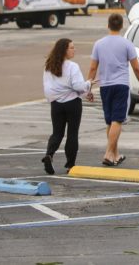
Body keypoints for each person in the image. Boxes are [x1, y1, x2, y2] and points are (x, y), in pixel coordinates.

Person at [88, 13, 139, 166]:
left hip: (105, 86)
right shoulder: (126, 44)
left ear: (108, 25)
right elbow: (136, 68)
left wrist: (88, 87)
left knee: (111, 122)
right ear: (121, 26)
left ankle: (115, 155)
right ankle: (108, 153)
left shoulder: (99, 44)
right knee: (117, 120)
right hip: (121, 85)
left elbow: (93, 67)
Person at [41, 38, 94, 175]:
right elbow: (78, 86)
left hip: (56, 104)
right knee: (72, 134)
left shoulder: (49, 66)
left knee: (57, 133)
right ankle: (70, 163)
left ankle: (49, 154)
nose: (74, 50)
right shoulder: (72, 66)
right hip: (72, 103)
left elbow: (47, 87)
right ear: (64, 50)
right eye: (71, 47)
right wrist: (88, 84)